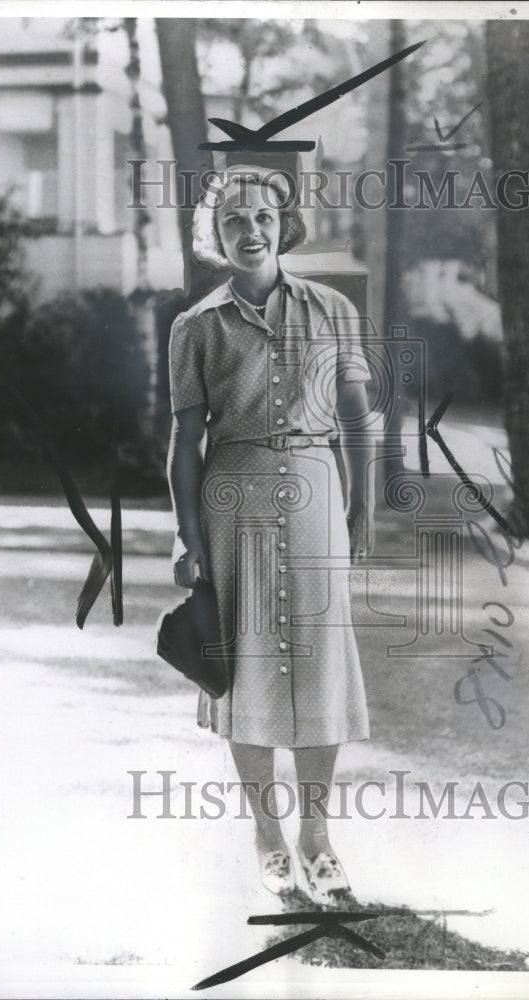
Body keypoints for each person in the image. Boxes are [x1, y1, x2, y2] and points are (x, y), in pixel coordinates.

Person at [167, 166, 373, 900]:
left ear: (284, 224)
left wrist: (361, 511)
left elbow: (353, 418)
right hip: (233, 502)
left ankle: (317, 836)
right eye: (231, 222)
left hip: (315, 490)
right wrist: (186, 539)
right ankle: (267, 835)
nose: (249, 231)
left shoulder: (332, 310)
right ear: (213, 238)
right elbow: (183, 443)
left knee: (320, 661)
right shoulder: (195, 327)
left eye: (261, 217)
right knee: (244, 667)